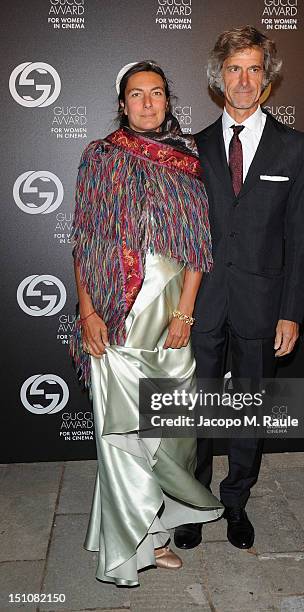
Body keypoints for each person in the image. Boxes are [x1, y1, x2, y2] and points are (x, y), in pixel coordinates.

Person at [69, 61, 224, 587]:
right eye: (138, 94)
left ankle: (154, 527)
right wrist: (88, 312)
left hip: (171, 310)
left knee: (169, 430)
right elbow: (86, 243)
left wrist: (185, 310)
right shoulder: (101, 157)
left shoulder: (188, 158)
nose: (148, 102)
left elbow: (200, 244)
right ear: (123, 103)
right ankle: (133, 545)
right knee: (122, 434)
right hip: (117, 313)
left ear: (167, 101)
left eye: (157, 93)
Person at [174, 26, 304, 551]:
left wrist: (292, 312)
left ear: (268, 78)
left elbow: (302, 238)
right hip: (202, 303)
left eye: (253, 68)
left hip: (262, 305)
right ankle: (193, 503)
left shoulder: (296, 148)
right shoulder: (194, 146)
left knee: (247, 408)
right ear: (219, 78)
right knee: (199, 412)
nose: (243, 80)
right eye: (234, 68)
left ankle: (236, 502)